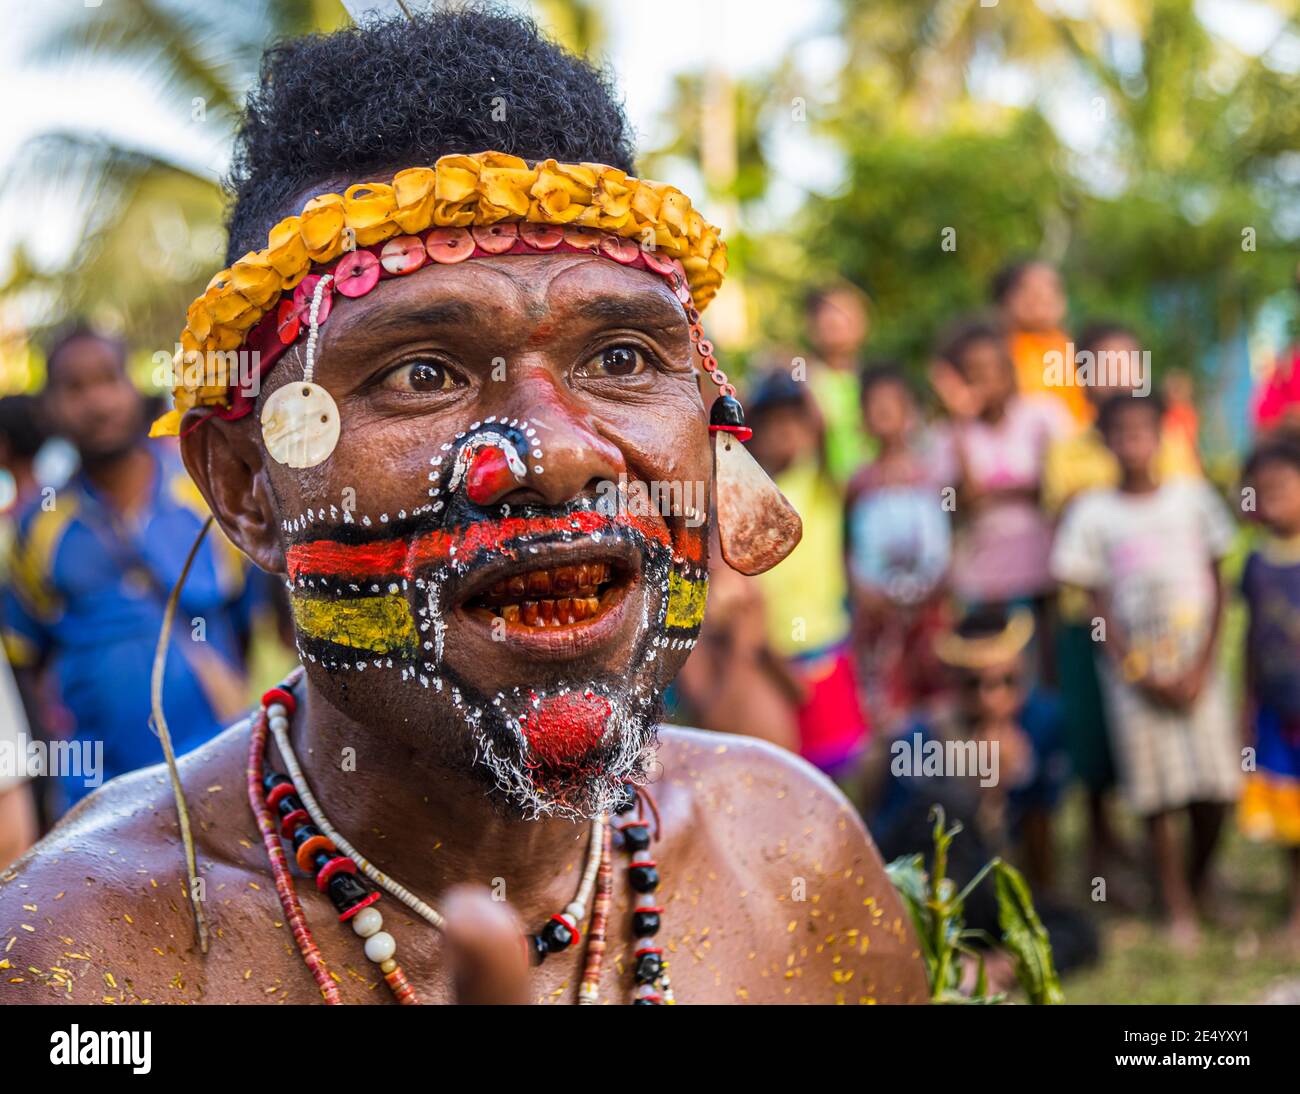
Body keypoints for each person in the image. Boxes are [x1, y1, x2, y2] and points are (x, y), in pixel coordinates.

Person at [0, 10, 925, 1005]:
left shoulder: (797, 857)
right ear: (243, 483)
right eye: (420, 370)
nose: (560, 451)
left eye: (621, 358)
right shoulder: (85, 958)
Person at [0, 326, 265, 811]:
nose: (97, 402)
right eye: (74, 388)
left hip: (222, 768)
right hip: (97, 796)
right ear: (49, 408)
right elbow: (26, 662)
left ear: (133, 386)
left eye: (108, 378)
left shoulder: (208, 497)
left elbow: (246, 620)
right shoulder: (35, 528)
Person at [1051, 392, 1240, 949]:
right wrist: (1137, 670)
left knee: (1217, 788)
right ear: (1104, 441)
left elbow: (1220, 580)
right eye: (1122, 431)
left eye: (1144, 429)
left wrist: (1202, 665)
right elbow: (1095, 601)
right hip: (1134, 681)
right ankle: (1175, 900)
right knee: (1158, 793)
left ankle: (1201, 879)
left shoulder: (1194, 498)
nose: (1134, 441)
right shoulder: (1093, 513)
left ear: (1164, 435)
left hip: (1197, 671)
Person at [1040, 321, 1199, 885]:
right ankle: (1102, 853)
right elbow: (1063, 525)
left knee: (1164, 734)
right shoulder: (1066, 448)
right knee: (1094, 739)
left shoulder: (1173, 438)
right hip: (1087, 620)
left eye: (1125, 363)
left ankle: (1168, 861)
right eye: (1100, 365)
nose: (1114, 376)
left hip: (1160, 619)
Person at [747, 369, 872, 778]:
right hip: (769, 657)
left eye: (794, 421)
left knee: (840, 773)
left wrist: (801, 379)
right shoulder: (745, 493)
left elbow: (834, 434)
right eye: (772, 424)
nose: (785, 433)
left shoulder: (822, 484)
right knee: (784, 777)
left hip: (827, 648)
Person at [929, 319, 1070, 664]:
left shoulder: (1042, 415)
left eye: (993, 369)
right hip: (983, 578)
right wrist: (960, 420)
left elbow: (1056, 489)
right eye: (973, 372)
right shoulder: (947, 435)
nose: (986, 380)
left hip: (1043, 569)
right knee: (994, 664)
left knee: (1047, 666)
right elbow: (968, 499)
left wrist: (1005, 494)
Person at [844, 364, 951, 734]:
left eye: (894, 406)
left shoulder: (930, 475)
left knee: (937, 693)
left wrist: (937, 586)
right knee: (887, 702)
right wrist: (863, 592)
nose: (886, 415)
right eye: (876, 407)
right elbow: (848, 547)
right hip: (878, 614)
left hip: (930, 609)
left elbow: (944, 540)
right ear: (864, 419)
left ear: (910, 414)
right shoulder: (859, 482)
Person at [1237, 434, 1300, 946]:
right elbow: (1250, 640)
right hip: (1279, 710)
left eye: (1283, 487)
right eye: (1263, 490)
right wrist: (1247, 700)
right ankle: (1296, 906)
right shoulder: (1255, 562)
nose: (1271, 498)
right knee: (1289, 819)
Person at [991, 259, 1091, 427]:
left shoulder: (1070, 347)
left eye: (1052, 288)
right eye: (1029, 290)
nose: (1043, 296)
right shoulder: (997, 347)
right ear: (1005, 299)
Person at [803, 282, 875, 484]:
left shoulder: (873, 381)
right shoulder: (804, 381)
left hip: (869, 491)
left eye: (843, 313)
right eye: (827, 313)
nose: (834, 320)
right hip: (822, 494)